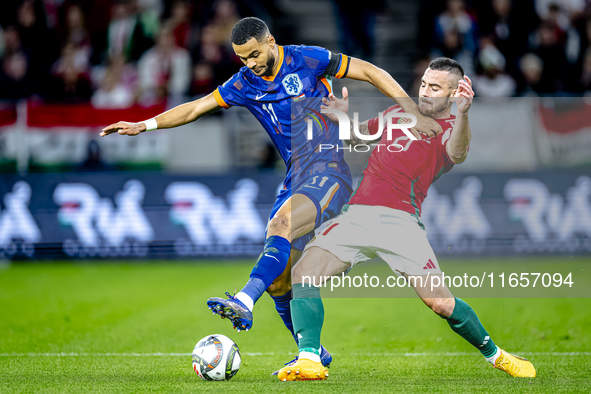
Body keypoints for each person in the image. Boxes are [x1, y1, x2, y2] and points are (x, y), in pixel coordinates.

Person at [100, 16, 441, 369]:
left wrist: (411, 109)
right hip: (294, 178)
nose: (249, 64)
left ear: (271, 41)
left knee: (281, 225)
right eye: (242, 58)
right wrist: (146, 124)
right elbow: (197, 107)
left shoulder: (307, 59)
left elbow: (370, 71)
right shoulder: (244, 83)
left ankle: (245, 300)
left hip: (329, 172)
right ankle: (311, 353)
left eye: (253, 55)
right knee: (281, 282)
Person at [276, 57, 537, 381]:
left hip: (400, 223)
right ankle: (309, 360)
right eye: (425, 83)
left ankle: (497, 356)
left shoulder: (449, 129)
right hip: (356, 216)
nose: (425, 91)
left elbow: (457, 152)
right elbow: (358, 138)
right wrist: (343, 119)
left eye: (436, 87)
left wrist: (464, 113)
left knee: (441, 304)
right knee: (303, 274)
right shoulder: (396, 113)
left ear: (454, 93)